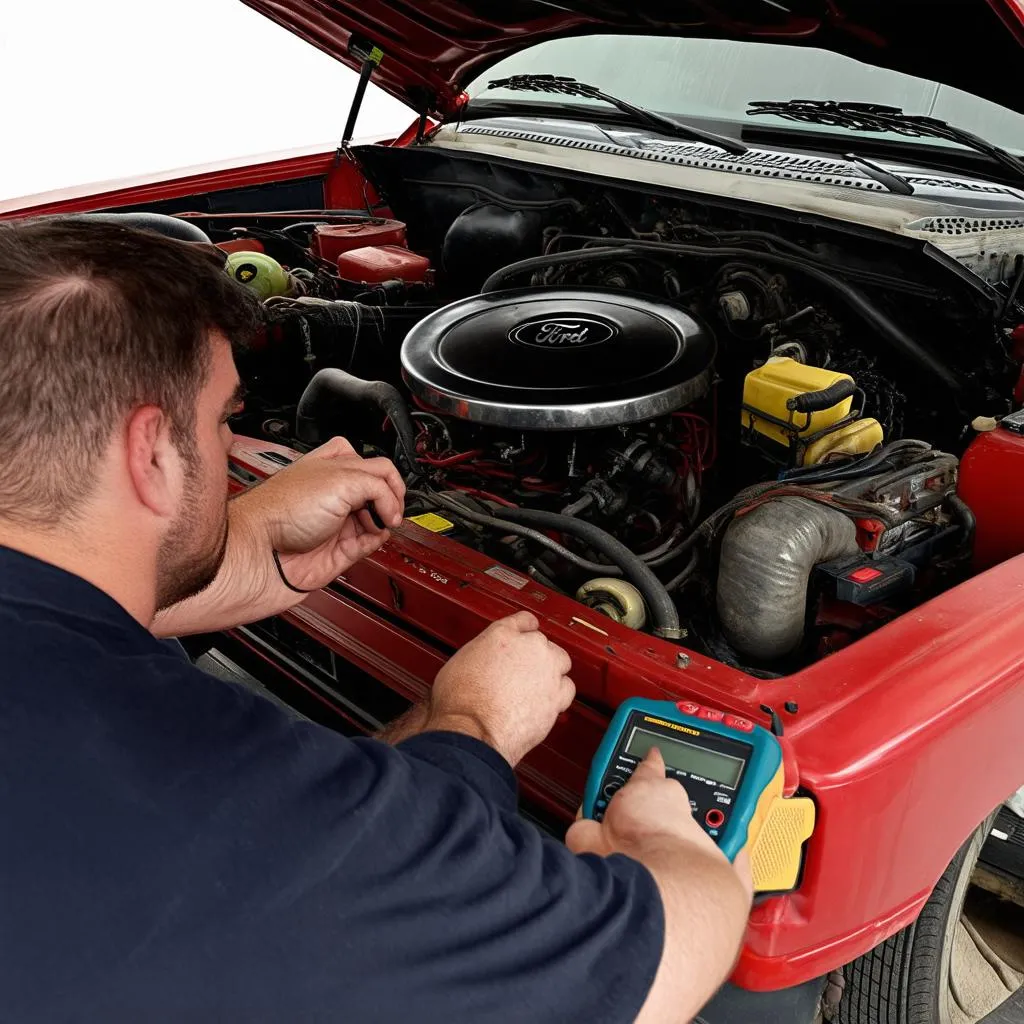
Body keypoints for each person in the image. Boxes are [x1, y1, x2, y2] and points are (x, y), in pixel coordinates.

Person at [0, 218, 751, 1023]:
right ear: (150, 453)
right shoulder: (208, 793)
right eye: (225, 421)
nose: (229, 446)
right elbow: (659, 955)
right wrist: (480, 725)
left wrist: (250, 543)